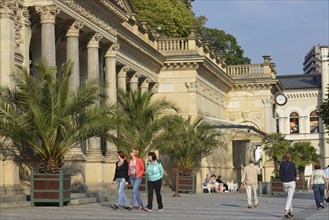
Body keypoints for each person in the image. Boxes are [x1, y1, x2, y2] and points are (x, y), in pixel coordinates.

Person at [279, 153, 297, 218]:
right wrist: (294, 179)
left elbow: (280, 174)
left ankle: (291, 211)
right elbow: (295, 174)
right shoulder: (293, 164)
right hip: (292, 182)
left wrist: (282, 180)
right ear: (290, 157)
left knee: (287, 197)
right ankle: (286, 210)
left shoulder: (282, 164)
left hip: (284, 182)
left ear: (284, 157)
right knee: (289, 197)